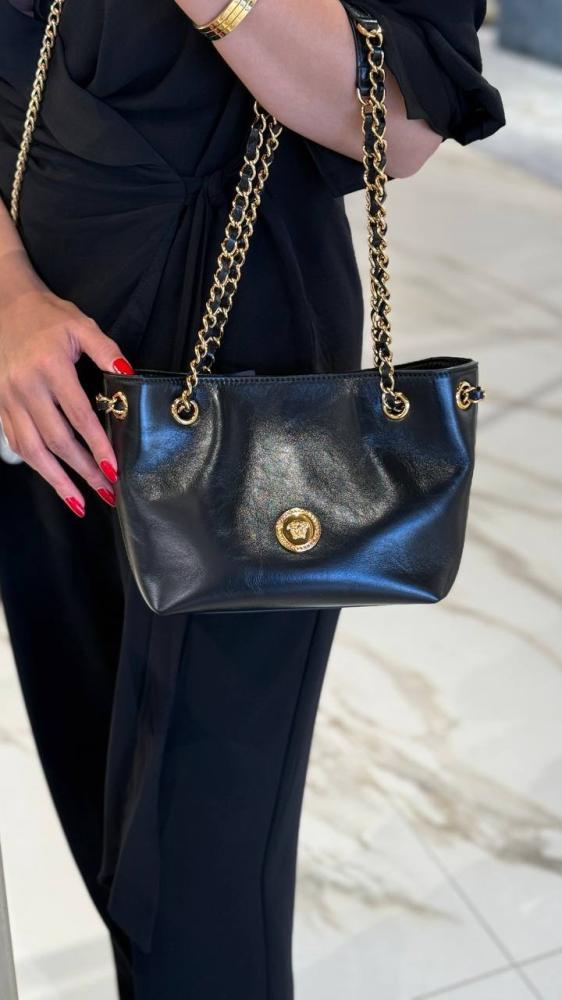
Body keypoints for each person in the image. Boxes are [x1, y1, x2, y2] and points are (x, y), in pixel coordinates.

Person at [0, 1, 505, 996]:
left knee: (200, 883)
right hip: (42, 386)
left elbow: (402, 121)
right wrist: (9, 294)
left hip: (252, 396)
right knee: (100, 817)